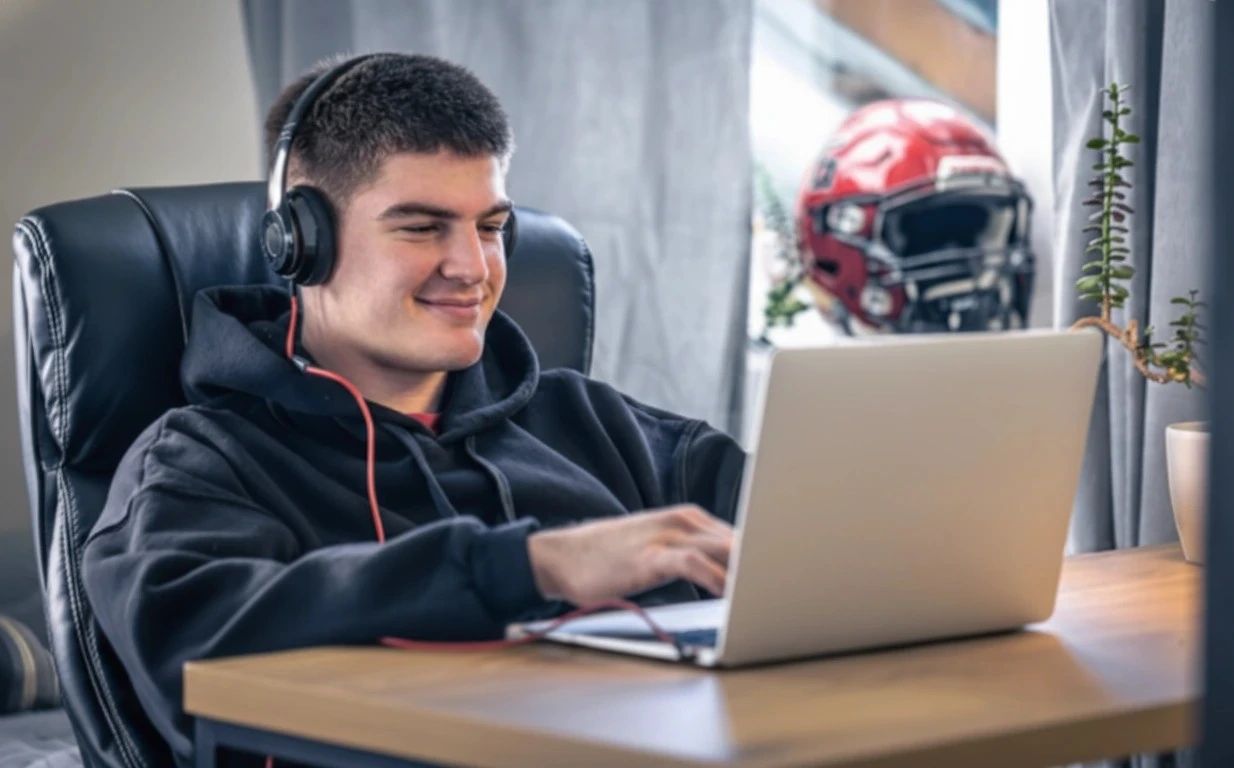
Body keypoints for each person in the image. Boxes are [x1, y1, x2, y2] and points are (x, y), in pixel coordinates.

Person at [81, 52, 746, 766]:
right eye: (423, 227)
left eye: (490, 227)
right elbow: (194, 642)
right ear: (301, 243)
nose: (473, 267)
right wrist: (527, 567)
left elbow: (816, 534)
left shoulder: (599, 427)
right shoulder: (199, 462)